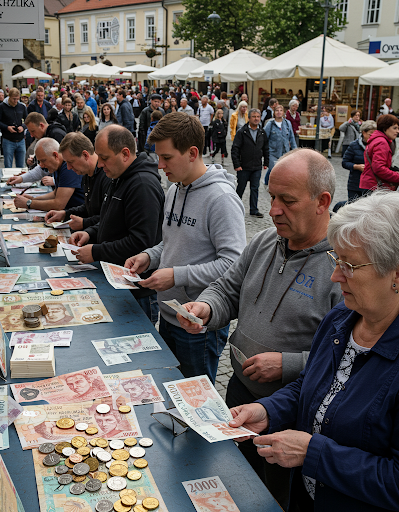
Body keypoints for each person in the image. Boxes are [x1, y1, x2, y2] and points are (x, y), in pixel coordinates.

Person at [176, 148, 342, 509]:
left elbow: (345, 358)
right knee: (232, 481)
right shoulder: (266, 241)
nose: (273, 210)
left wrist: (290, 364)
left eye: (288, 200)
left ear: (322, 201)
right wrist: (206, 307)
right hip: (240, 393)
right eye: (271, 197)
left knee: (274, 498)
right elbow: (228, 288)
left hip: (291, 412)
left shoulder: (342, 269)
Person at [228, 191, 399, 512]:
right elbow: (309, 386)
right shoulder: (342, 319)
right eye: (337, 260)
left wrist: (312, 454)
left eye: (349, 265)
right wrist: (267, 411)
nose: (336, 276)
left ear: (396, 275)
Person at [125, 113, 246, 383]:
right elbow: (172, 241)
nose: (159, 165)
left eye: (167, 158)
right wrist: (149, 257)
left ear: (192, 153)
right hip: (169, 313)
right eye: (158, 157)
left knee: (194, 396)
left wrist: (176, 275)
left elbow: (233, 264)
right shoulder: (174, 189)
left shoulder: (221, 199)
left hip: (197, 323)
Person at [69, 125, 165, 323]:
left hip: (137, 291)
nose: (100, 164)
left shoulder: (141, 184)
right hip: (119, 282)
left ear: (125, 154)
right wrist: (91, 233)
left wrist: (96, 251)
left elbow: (141, 242)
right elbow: (110, 220)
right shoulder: (118, 177)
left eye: (104, 158)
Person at [44, 132, 109, 231]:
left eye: (71, 162)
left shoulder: (107, 175)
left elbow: (110, 218)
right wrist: (65, 214)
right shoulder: (87, 173)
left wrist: (84, 223)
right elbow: (89, 206)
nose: (69, 168)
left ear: (85, 155)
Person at [13, 138, 84, 212]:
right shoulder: (57, 166)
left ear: (55, 155)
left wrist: (29, 203)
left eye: (43, 161)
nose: (41, 165)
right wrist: (33, 199)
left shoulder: (68, 168)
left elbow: (59, 205)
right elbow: (56, 193)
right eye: (39, 161)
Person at [231, 108, 269, 218]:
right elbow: (235, 149)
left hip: (256, 166)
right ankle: (234, 208)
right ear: (249, 118)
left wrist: (266, 162)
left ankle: (254, 209)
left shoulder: (262, 132)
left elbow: (266, 148)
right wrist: (237, 165)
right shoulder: (242, 132)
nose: (256, 119)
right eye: (254, 116)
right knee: (240, 188)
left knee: (255, 188)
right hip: (243, 166)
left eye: (258, 116)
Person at [339, 120, 377, 203]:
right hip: (355, 184)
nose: (373, 137)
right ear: (363, 133)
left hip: (371, 185)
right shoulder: (354, 145)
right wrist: (356, 166)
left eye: (375, 135)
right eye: (370, 134)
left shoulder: (377, 146)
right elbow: (345, 162)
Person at [360, 114, 399, 192]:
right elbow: (379, 168)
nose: (397, 131)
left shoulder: (378, 139)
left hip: (371, 184)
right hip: (375, 185)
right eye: (394, 128)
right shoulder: (382, 142)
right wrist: (397, 176)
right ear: (385, 128)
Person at [263, 104, 297, 185]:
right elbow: (264, 138)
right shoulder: (270, 124)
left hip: (284, 151)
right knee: (273, 169)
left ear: (283, 113)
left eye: (281, 110)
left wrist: (295, 150)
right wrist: (263, 151)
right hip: (272, 152)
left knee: (282, 169)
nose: (279, 112)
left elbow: (291, 138)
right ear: (274, 112)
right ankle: (269, 183)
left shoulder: (287, 123)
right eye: (277, 110)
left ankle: (273, 183)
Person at [0, 87, 27, 168]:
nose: (15, 101)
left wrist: (23, 127)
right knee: (8, 165)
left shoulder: (21, 106)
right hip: (8, 139)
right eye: (14, 99)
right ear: (9, 97)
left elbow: (27, 120)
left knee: (21, 165)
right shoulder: (2, 107)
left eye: (17, 99)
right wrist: (7, 127)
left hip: (20, 139)